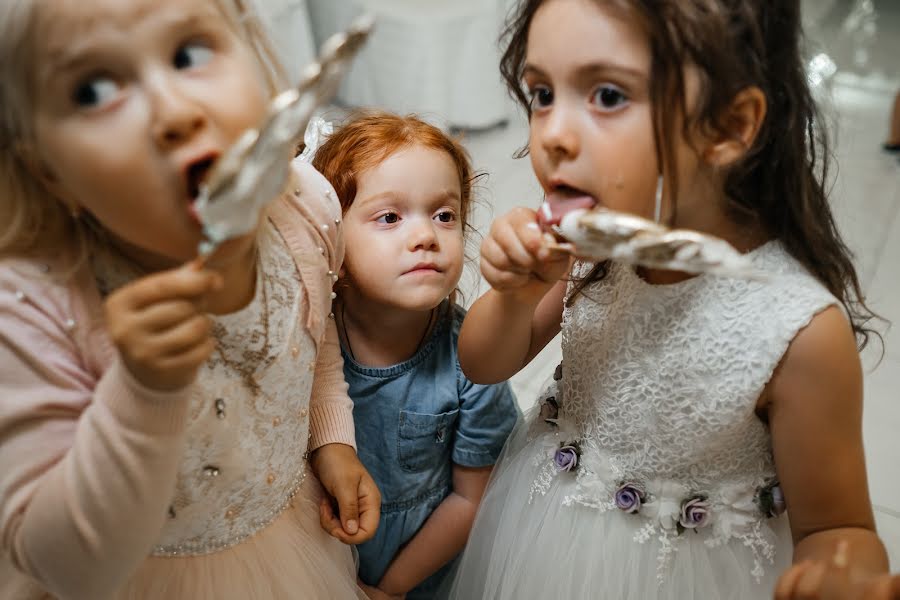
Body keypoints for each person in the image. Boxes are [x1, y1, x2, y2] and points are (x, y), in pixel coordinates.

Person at [448, 0, 895, 598]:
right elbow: (481, 364)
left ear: (730, 126)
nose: (551, 134)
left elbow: (837, 526)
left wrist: (844, 574)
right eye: (542, 93)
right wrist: (515, 295)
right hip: (545, 533)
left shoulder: (797, 331)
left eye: (607, 95)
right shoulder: (592, 243)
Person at [0, 1, 379, 598]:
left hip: (292, 534)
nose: (173, 112)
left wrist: (330, 436)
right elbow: (67, 567)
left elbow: (313, 330)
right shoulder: (30, 308)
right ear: (48, 173)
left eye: (188, 54)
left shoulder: (307, 208)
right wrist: (142, 392)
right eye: (95, 89)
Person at [312, 112, 520, 599]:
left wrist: (394, 588)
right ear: (331, 237)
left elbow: (472, 499)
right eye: (390, 217)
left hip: (424, 570)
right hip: (316, 554)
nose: (426, 234)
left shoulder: (474, 359)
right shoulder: (310, 342)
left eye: (444, 215)